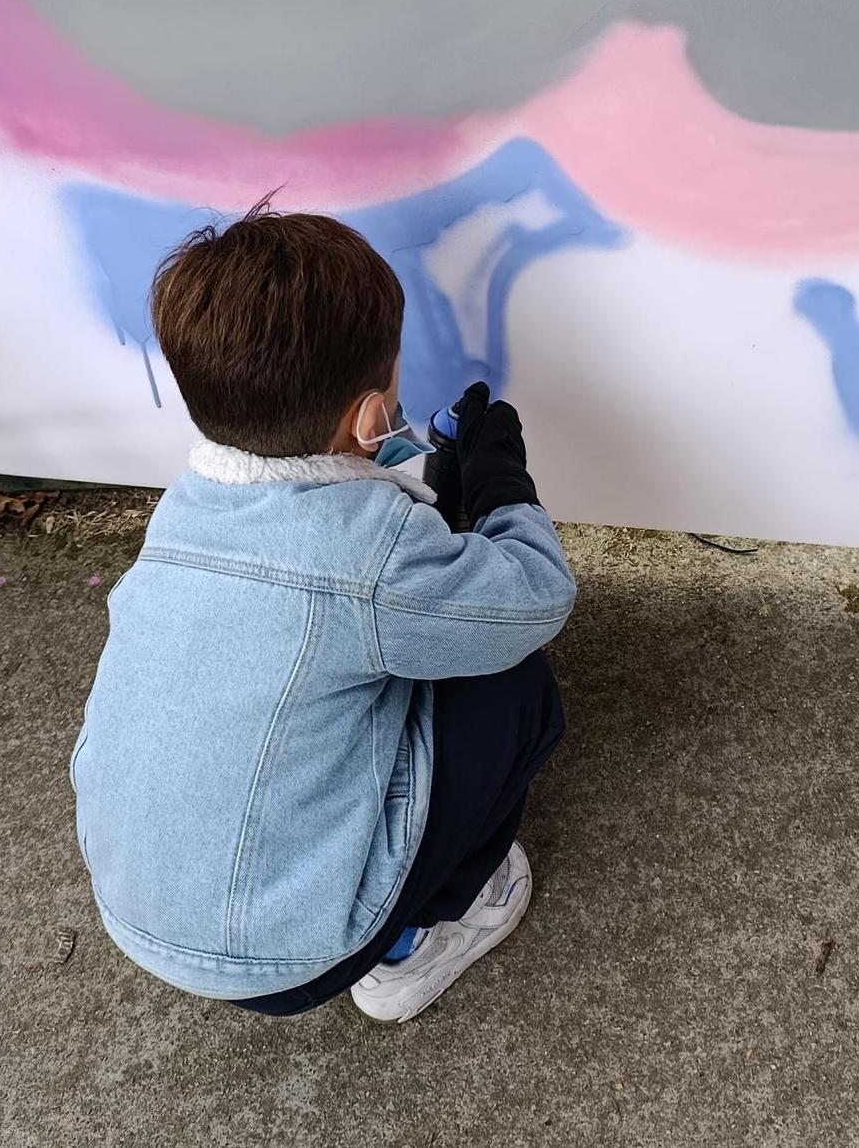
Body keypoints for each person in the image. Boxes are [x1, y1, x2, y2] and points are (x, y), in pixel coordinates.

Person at [70, 205, 572, 1023]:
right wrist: (500, 477)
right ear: (372, 416)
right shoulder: (366, 559)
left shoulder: (186, 509)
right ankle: (414, 942)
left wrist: (428, 465)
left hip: (138, 913)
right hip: (294, 958)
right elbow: (534, 594)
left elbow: (327, 492)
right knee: (512, 677)